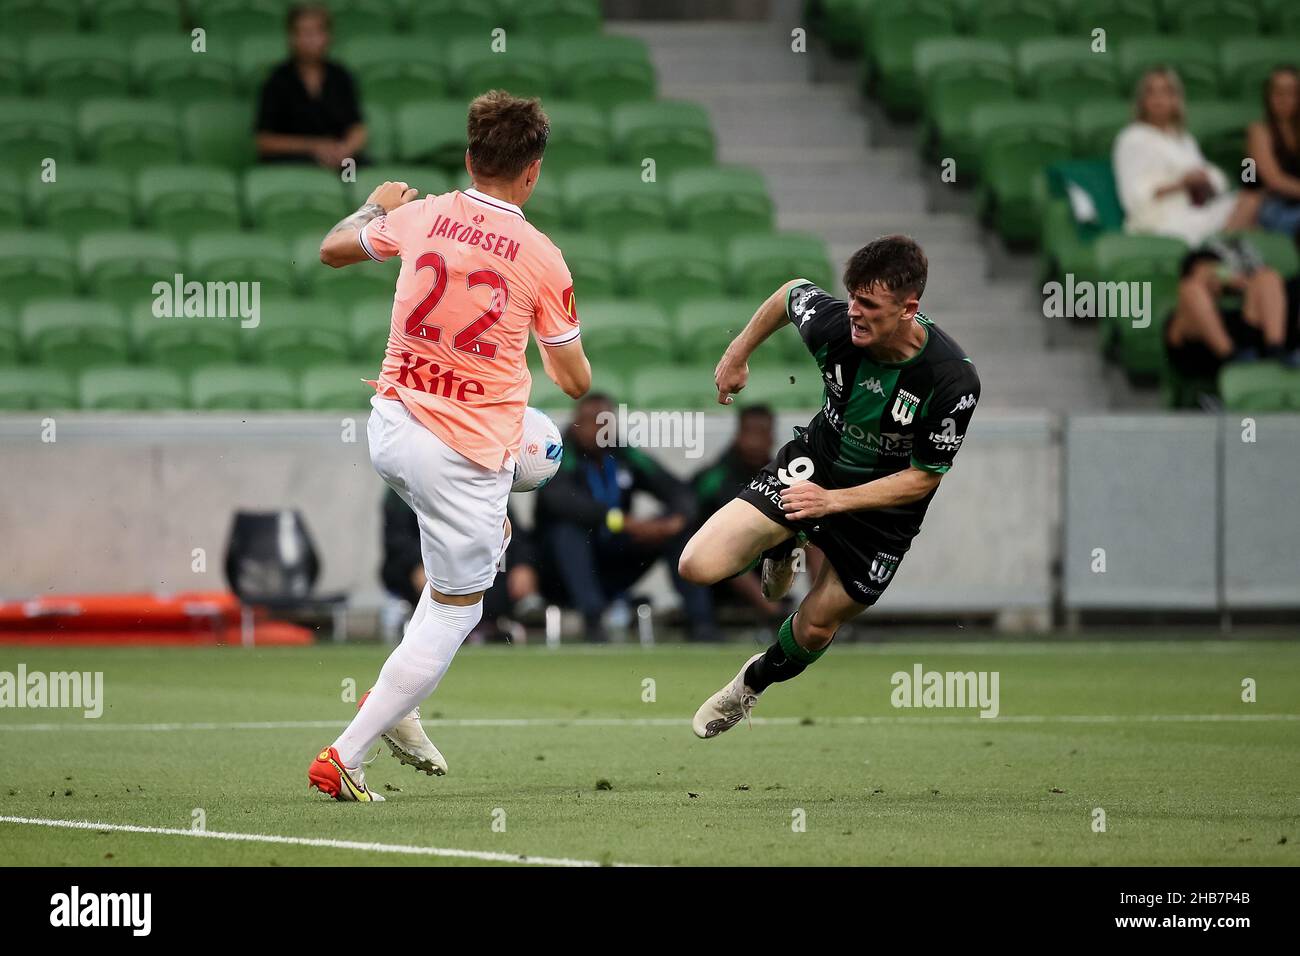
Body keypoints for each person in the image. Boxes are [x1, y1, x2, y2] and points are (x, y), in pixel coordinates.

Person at [307, 91, 591, 801]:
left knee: (469, 557)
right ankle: (347, 753)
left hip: (392, 426)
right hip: (461, 455)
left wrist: (374, 204)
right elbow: (576, 380)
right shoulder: (541, 255)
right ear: (533, 173)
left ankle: (403, 705)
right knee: (460, 608)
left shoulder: (423, 213)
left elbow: (333, 248)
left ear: (468, 159)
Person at [677, 235, 980, 738]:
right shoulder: (836, 327)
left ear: (909, 309)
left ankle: (750, 683)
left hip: (883, 515)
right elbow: (791, 291)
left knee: (816, 625)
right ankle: (788, 538)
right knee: (696, 565)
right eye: (852, 298)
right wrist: (737, 354)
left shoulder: (951, 381)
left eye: (869, 305)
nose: (854, 313)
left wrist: (833, 503)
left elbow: (924, 477)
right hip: (816, 466)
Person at [534, 393, 718, 643]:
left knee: (676, 531)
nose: (598, 428)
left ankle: (701, 623)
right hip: (559, 570)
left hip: (614, 558)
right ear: (576, 422)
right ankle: (593, 622)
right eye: (590, 421)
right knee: (568, 531)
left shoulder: (624, 455)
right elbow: (562, 502)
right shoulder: (558, 455)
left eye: (605, 421)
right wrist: (622, 521)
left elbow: (677, 489)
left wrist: (674, 521)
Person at [1113, 67, 1260, 245]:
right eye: (1151, 92)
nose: (1158, 99)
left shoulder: (1184, 139)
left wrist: (1203, 180)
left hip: (1197, 210)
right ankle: (1221, 254)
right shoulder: (1132, 137)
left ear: (1176, 99)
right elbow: (1133, 197)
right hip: (1160, 219)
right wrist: (1180, 184)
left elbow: (1210, 175)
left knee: (1252, 202)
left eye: (1166, 92)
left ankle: (1222, 254)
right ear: (1142, 100)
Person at [381, 489, 542, 643]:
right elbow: (398, 537)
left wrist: (522, 563)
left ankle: (485, 627)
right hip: (428, 565)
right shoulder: (413, 473)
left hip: (473, 566)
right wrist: (417, 562)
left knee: (500, 572)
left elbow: (509, 529)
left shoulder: (481, 479)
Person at [691, 403, 799, 625]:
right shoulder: (715, 477)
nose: (754, 441)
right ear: (738, 435)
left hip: (768, 557)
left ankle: (815, 609)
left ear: (771, 437)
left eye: (762, 433)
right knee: (729, 545)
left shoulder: (785, 477)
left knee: (813, 526)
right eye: (750, 433)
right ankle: (775, 615)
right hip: (718, 573)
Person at [254, 3, 367, 167]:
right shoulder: (276, 80)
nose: (310, 40)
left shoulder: (341, 76)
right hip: (292, 163)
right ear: (291, 37)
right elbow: (264, 142)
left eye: (316, 32)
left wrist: (344, 150)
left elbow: (357, 128)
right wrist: (314, 147)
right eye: (303, 33)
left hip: (339, 161)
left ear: (328, 36)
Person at [1246, 66, 1300, 244]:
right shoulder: (1259, 131)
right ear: (1268, 96)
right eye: (1278, 92)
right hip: (1270, 206)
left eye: (1291, 92)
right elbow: (1274, 180)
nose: (1285, 99)